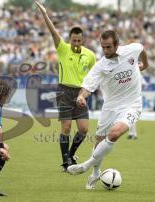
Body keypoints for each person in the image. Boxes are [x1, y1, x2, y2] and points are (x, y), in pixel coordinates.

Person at [67, 30, 148, 189]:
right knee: (98, 142)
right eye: (103, 47)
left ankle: (86, 165)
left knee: (114, 134)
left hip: (132, 105)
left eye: (108, 47)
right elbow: (87, 87)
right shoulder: (100, 66)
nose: (105, 50)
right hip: (110, 106)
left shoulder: (131, 50)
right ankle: (95, 173)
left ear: (117, 45)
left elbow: (142, 48)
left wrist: (145, 64)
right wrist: (81, 97)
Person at [36, 1, 96, 171]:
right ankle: (65, 162)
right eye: (74, 40)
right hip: (64, 91)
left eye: (79, 40)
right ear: (70, 39)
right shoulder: (63, 48)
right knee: (66, 127)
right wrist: (45, 14)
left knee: (84, 130)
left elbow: (94, 76)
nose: (76, 43)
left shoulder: (90, 55)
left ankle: (71, 154)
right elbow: (52, 31)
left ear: (82, 39)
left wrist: (87, 92)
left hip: (81, 93)